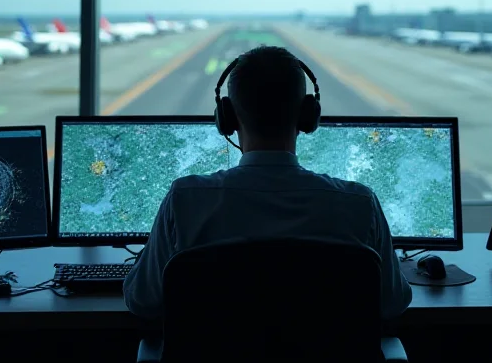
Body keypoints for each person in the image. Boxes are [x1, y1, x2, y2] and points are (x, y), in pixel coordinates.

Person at [123, 45, 412, 321]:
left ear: (227, 117)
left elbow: (142, 301)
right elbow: (392, 303)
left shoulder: (184, 200)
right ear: (307, 115)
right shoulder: (360, 204)